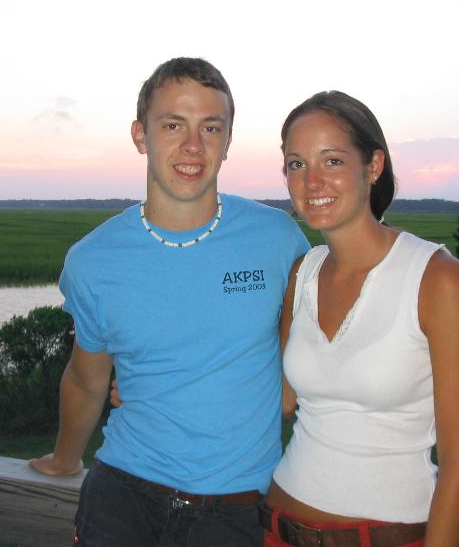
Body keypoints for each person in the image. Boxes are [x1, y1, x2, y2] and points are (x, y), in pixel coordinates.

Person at [29, 57, 309, 547]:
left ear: (228, 141)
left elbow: (312, 353)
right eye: (173, 125)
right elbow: (86, 379)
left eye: (211, 128)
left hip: (236, 512)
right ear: (141, 135)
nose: (193, 145)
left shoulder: (278, 239)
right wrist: (65, 459)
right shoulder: (93, 260)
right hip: (121, 499)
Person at [260, 91, 459, 547]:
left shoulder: (434, 277)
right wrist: (159, 381)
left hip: (386, 535)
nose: (312, 181)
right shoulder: (303, 274)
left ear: (373, 165)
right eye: (296, 164)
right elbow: (278, 401)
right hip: (279, 526)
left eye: (333, 160)